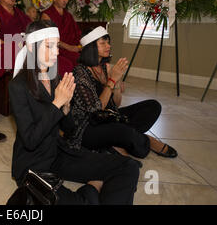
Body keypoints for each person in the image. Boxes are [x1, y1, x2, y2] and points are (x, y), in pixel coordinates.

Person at [9, 20, 140, 205]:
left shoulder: (56, 79)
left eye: (57, 45)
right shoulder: (18, 86)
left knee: (129, 166)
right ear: (31, 47)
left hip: (59, 153)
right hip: (33, 164)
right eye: (50, 46)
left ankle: (96, 188)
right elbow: (30, 140)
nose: (56, 52)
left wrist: (66, 109)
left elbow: (69, 130)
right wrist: (56, 105)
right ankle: (93, 187)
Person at [64, 26, 178, 159]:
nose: (108, 46)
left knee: (153, 106)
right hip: (89, 126)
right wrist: (111, 81)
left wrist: (116, 84)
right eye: (103, 43)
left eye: (108, 42)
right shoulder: (80, 73)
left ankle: (122, 138)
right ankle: (148, 141)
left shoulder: (103, 67)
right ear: (91, 47)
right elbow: (95, 110)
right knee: (126, 133)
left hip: (109, 117)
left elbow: (115, 105)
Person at [41, 0, 82, 77]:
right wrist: (70, 47)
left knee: (86, 58)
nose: (66, 0)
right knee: (69, 64)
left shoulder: (68, 16)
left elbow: (77, 33)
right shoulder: (46, 15)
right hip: (54, 50)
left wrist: (80, 46)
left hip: (71, 49)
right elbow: (49, 39)